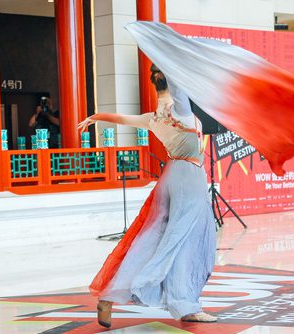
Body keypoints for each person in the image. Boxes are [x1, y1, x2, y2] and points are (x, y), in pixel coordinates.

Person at [78, 64, 217, 328]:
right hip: (189, 177)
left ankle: (115, 296)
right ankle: (182, 303)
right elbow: (177, 86)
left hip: (173, 175)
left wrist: (95, 116)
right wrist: (168, 56)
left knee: (160, 240)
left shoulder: (152, 118)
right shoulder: (181, 111)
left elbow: (121, 118)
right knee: (182, 244)